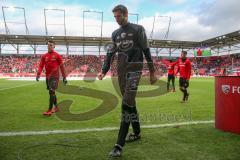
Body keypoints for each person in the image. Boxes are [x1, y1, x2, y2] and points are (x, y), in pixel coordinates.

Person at [98, 4, 157, 157]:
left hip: (135, 71)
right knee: (131, 104)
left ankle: (119, 145)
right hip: (121, 73)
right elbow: (110, 54)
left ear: (126, 14)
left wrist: (152, 71)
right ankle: (136, 133)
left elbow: (146, 50)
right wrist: (104, 71)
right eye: (115, 17)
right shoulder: (115, 34)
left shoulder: (138, 29)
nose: (117, 19)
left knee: (125, 104)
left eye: (119, 16)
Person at [36, 40, 67, 116]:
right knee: (51, 92)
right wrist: (38, 74)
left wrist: (64, 77)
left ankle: (49, 110)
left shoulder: (57, 55)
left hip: (55, 77)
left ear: (54, 46)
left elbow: (62, 66)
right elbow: (41, 65)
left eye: (51, 45)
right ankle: (56, 107)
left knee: (51, 92)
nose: (49, 46)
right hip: (47, 77)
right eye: (48, 45)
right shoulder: (44, 56)